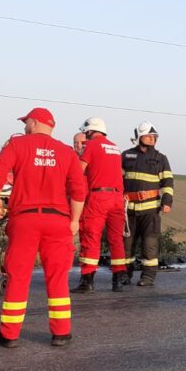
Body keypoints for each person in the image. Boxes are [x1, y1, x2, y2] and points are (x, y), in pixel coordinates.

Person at [0, 107, 87, 347]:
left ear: (33, 123)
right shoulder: (66, 152)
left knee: (18, 277)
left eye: (26, 122)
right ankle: (61, 333)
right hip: (58, 220)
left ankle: (9, 335)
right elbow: (78, 190)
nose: (24, 126)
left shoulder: (17, 144)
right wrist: (74, 220)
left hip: (25, 220)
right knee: (58, 278)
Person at [73, 116, 128, 293]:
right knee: (116, 239)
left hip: (99, 197)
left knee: (91, 237)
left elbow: (78, 171)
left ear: (90, 130)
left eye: (86, 132)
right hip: (117, 198)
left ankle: (87, 281)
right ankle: (118, 280)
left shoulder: (92, 145)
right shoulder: (115, 147)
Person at [121, 121, 173, 286]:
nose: (152, 139)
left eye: (154, 137)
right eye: (148, 136)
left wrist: (167, 201)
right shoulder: (126, 156)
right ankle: (125, 275)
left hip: (150, 210)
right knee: (126, 246)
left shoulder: (160, 158)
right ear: (139, 137)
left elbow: (168, 182)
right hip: (128, 209)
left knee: (149, 245)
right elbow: (117, 179)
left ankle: (148, 277)